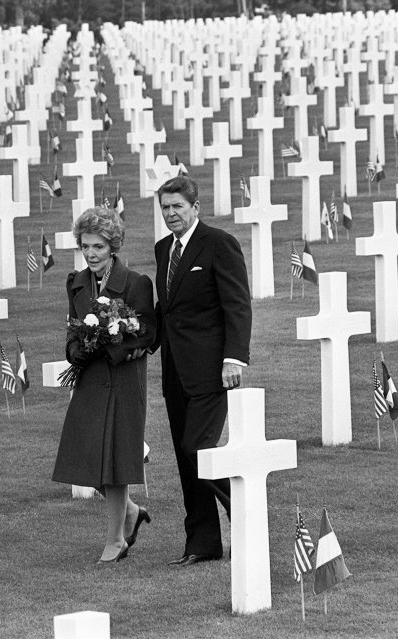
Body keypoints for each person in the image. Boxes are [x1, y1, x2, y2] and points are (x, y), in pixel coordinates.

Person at [153, 175, 252, 567]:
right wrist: (134, 339)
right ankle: (202, 542)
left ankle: (247, 515)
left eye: (178, 206)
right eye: (165, 208)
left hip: (213, 370)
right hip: (174, 370)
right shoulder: (164, 249)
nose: (171, 214)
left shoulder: (219, 244)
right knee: (184, 456)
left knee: (200, 449)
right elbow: (168, 311)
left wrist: (234, 358)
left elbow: (238, 304)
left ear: (196, 207)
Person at [52, 207, 156, 564]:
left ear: (113, 245)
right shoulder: (76, 282)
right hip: (90, 379)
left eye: (98, 246)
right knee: (81, 452)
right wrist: (76, 349)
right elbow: (71, 329)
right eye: (85, 246)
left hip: (124, 380)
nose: (91, 253)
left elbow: (148, 333)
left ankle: (115, 540)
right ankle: (129, 511)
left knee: (115, 458)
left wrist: (113, 342)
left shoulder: (136, 283)